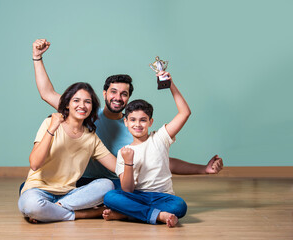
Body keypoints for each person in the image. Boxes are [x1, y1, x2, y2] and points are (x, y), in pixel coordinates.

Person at [32, 38, 223, 189]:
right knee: (29, 188)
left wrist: (203, 169)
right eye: (113, 92)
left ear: (128, 99)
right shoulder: (84, 113)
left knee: (115, 192)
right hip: (79, 181)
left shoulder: (133, 128)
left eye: (124, 94)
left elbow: (161, 161)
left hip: (112, 184)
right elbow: (46, 93)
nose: (118, 97)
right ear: (105, 93)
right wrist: (37, 57)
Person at [18, 82, 117, 223]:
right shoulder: (49, 124)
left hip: (69, 195)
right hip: (38, 190)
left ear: (92, 108)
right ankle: (82, 214)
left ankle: (52, 211)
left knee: (107, 185)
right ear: (67, 105)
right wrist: (52, 128)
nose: (82, 105)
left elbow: (116, 166)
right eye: (76, 100)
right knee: (32, 206)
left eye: (87, 102)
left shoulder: (91, 137)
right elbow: (34, 164)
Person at [103, 73, 190, 228]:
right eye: (133, 120)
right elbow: (128, 189)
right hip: (137, 196)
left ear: (150, 122)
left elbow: (184, 113)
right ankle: (157, 216)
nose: (138, 124)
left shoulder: (160, 138)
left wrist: (171, 85)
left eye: (143, 120)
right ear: (126, 122)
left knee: (180, 206)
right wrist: (128, 162)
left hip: (163, 197)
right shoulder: (124, 152)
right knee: (110, 197)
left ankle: (128, 214)